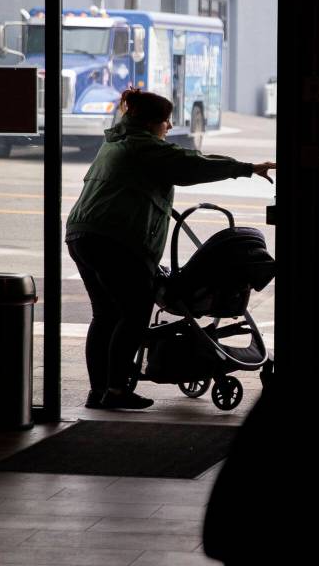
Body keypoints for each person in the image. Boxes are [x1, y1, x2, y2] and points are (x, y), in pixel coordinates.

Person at [65, 88, 276, 410]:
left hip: (83, 235)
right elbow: (191, 165)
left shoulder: (116, 143)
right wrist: (247, 167)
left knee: (106, 315)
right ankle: (117, 390)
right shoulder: (143, 146)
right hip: (115, 240)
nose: (169, 125)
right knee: (133, 314)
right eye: (166, 120)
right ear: (153, 122)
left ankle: (102, 390)